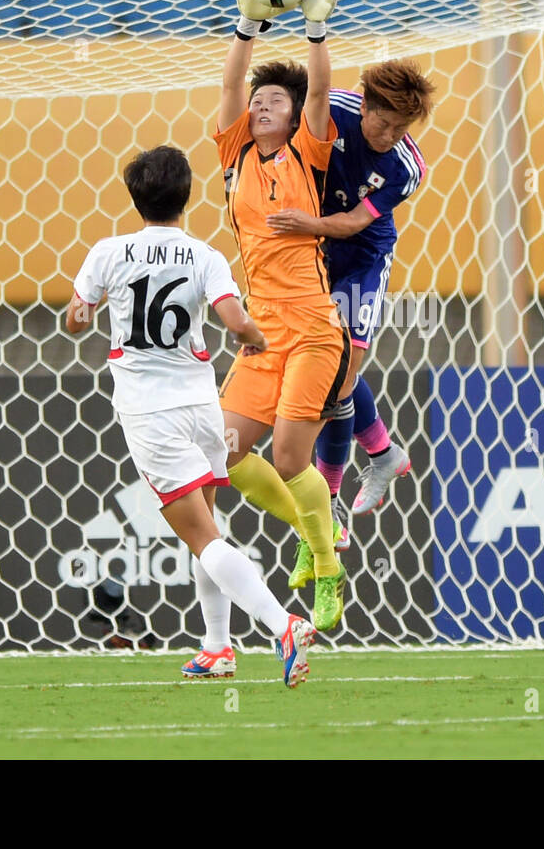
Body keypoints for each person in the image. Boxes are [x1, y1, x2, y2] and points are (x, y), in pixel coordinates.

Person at [65, 145, 315, 688]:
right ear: (187, 196)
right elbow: (235, 319)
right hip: (204, 409)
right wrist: (253, 340)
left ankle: (283, 624)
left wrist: (83, 311)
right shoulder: (205, 257)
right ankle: (217, 647)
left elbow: (76, 319)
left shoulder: (108, 253)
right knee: (209, 530)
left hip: (150, 413)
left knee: (203, 539)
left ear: (135, 198)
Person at [209, 0, 349, 641]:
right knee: (227, 456)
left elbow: (320, 98)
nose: (262, 104)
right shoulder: (235, 155)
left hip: (316, 330)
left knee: (293, 461)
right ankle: (317, 533)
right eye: (259, 101)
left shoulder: (307, 153)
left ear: (294, 119)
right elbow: (233, 80)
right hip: (260, 333)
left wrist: (316, 30)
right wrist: (247, 24)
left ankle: (327, 567)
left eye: (276, 102)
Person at [267, 59, 435, 565]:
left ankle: (346, 487)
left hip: (360, 256)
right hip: (313, 250)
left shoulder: (407, 168)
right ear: (365, 105)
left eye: (401, 128)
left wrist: (304, 222)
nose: (389, 136)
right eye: (382, 123)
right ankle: (380, 457)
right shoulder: (330, 109)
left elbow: (353, 223)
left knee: (340, 378)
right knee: (326, 377)